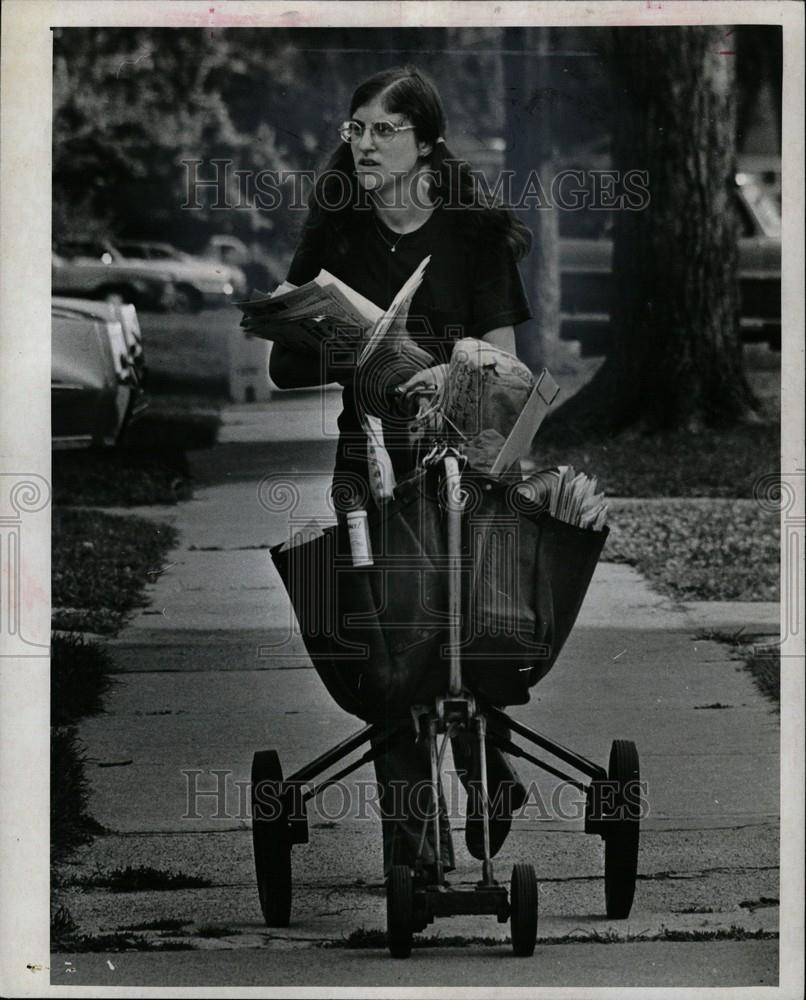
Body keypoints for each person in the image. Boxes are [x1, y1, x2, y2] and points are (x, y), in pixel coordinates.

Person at [269, 66, 532, 879]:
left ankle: (489, 765)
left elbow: (510, 366)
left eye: (386, 129)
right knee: (386, 656)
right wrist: (350, 348)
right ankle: (413, 861)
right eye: (357, 129)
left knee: (465, 621)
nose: (367, 143)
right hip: (368, 464)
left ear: (426, 144)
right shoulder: (336, 234)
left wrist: (450, 369)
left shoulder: (471, 234)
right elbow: (284, 364)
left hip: (466, 459)